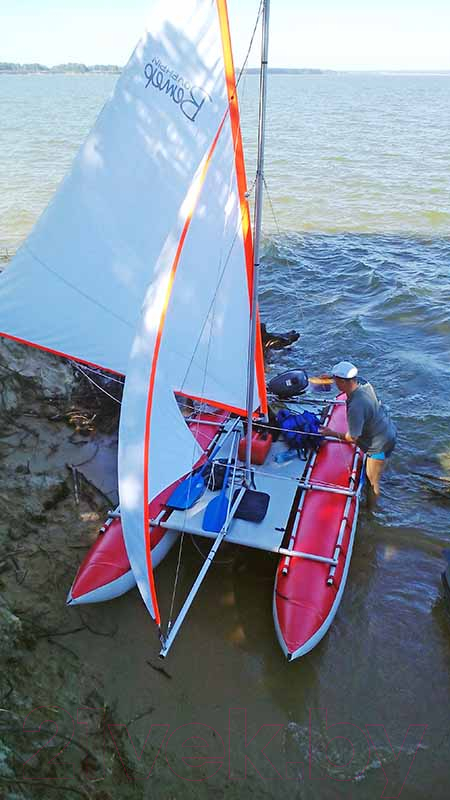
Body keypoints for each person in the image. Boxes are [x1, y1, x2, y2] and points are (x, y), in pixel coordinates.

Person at [319, 361, 397, 506]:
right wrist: (330, 377)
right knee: (377, 470)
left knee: (372, 482)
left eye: (336, 381)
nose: (335, 384)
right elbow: (348, 378)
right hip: (387, 429)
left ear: (343, 381)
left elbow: (353, 437)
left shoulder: (356, 406)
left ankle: (371, 512)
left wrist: (331, 433)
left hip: (379, 445)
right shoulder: (363, 383)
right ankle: (383, 469)